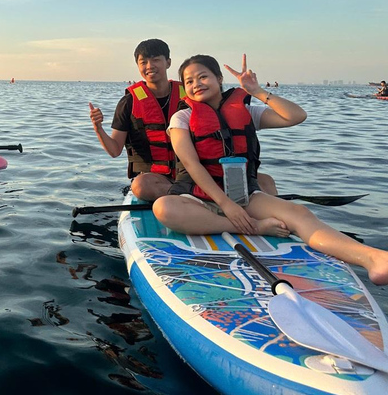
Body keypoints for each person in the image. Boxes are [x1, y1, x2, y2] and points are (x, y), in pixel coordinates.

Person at [152, 54, 388, 285]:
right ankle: (253, 227)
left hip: (243, 195)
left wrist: (257, 91)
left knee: (299, 214)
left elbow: (296, 116)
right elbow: (191, 164)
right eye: (189, 81)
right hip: (199, 198)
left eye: (203, 77)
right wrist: (226, 206)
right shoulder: (182, 117)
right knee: (164, 207)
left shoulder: (247, 113)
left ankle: (372, 258)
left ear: (219, 78)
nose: (196, 84)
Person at [89, 39, 276, 201]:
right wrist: (98, 128)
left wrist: (255, 91)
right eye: (143, 62)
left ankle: (215, 198)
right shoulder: (129, 102)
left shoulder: (191, 93)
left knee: (266, 181)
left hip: (199, 174)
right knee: (140, 185)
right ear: (138, 66)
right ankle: (202, 197)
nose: (149, 66)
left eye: (155, 60)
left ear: (168, 62)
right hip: (159, 179)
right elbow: (114, 150)